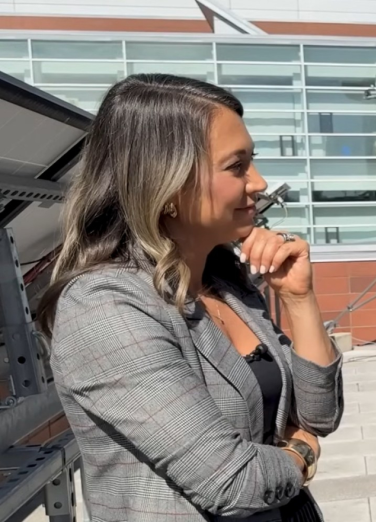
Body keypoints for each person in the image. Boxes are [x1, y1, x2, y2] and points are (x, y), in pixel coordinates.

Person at [37, 73, 343, 521]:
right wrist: (301, 454)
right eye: (237, 166)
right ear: (167, 184)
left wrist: (299, 299)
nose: (258, 182)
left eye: (252, 162)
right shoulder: (104, 308)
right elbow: (234, 483)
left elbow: (319, 416)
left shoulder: (225, 280)